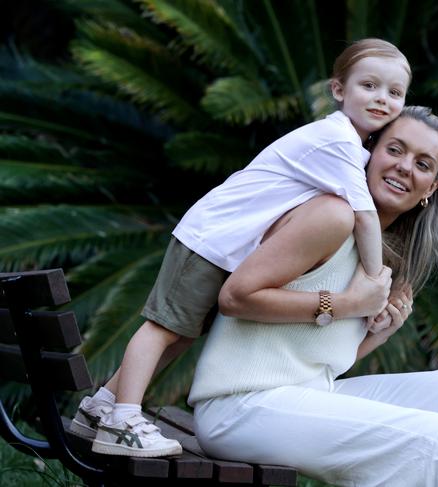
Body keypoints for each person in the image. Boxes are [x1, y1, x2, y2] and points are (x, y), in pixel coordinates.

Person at [69, 38, 411, 457]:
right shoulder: (336, 140)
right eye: (370, 86)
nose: (382, 99)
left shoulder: (349, 147)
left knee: (180, 335)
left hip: (226, 245)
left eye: (394, 93)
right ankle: (123, 419)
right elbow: (364, 216)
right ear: (339, 89)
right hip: (212, 236)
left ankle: (99, 408)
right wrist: (374, 283)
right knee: (163, 328)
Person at [189, 107, 438, 487]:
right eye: (395, 150)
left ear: (431, 188)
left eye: (423, 164)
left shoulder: (383, 257)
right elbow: (236, 297)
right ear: (368, 153)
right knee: (434, 439)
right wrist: (346, 305)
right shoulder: (333, 216)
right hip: (239, 407)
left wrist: (375, 335)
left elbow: (315, 363)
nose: (404, 167)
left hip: (302, 394)